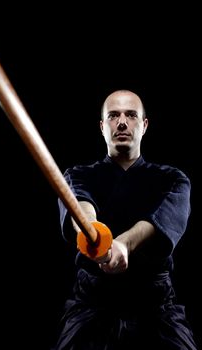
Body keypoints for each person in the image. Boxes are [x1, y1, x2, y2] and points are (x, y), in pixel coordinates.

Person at [51, 89, 198, 349]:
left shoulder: (173, 180)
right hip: (91, 306)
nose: (122, 122)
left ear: (144, 125)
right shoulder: (78, 175)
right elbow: (80, 206)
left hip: (157, 308)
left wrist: (124, 244)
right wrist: (93, 231)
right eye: (113, 116)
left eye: (131, 115)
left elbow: (160, 219)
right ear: (102, 126)